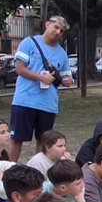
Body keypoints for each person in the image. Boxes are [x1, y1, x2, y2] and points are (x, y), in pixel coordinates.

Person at [8, 15, 75, 162]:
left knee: (44, 142)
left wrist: (67, 81)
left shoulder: (62, 54)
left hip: (48, 105)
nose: (58, 32)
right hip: (24, 101)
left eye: (62, 31)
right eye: (56, 27)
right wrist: (40, 77)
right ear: (47, 25)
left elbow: (67, 76)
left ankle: (38, 173)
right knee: (17, 138)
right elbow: (19, 69)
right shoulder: (29, 43)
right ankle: (9, 171)